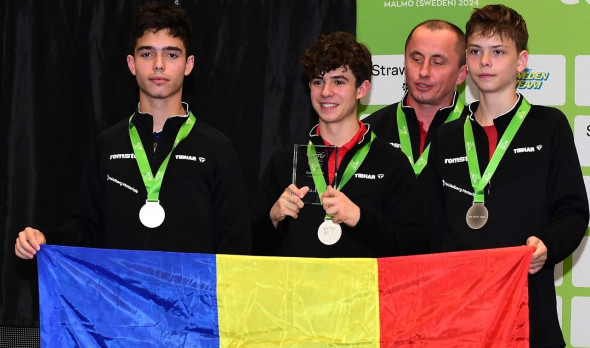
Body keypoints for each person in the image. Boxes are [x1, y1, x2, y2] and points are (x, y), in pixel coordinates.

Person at [15, 1, 251, 258]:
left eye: (171, 54)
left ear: (188, 64)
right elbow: (88, 230)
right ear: (132, 63)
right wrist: (45, 240)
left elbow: (235, 246)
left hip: (188, 299)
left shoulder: (216, 148)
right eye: (147, 54)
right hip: (122, 298)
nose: (158, 64)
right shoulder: (109, 144)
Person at [426, 5, 589, 347]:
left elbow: (573, 211)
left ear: (521, 60)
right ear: (466, 61)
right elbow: (431, 224)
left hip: (527, 305)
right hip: (458, 310)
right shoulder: (446, 135)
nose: (485, 62)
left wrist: (548, 246)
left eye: (498, 52)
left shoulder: (549, 126)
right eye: (476, 52)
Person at [251, 31, 428, 258]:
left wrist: (359, 219)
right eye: (318, 81)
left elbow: (415, 249)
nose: (326, 92)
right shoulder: (284, 161)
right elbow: (248, 250)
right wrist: (273, 219)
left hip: (365, 293)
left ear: (362, 90)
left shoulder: (391, 163)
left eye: (339, 81)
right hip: (299, 293)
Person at [363, 20, 468, 178]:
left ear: (461, 74)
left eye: (437, 62)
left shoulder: (478, 133)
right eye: (417, 59)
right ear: (405, 62)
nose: (424, 71)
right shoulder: (370, 131)